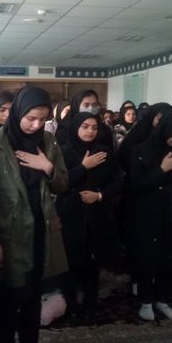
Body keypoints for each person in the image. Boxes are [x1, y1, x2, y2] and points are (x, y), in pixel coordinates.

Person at [0, 86, 68, 343]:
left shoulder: (48, 142)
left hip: (40, 231)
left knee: (32, 298)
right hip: (8, 234)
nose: (36, 125)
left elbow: (63, 184)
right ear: (17, 113)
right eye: (30, 118)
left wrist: (47, 167)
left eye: (42, 119)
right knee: (7, 299)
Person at [128, 110, 172, 321]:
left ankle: (163, 299)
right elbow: (135, 184)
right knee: (147, 257)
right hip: (147, 213)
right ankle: (146, 301)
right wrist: (162, 169)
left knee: (170, 256)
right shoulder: (141, 150)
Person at [55, 112, 121, 313]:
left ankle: (91, 302)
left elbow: (118, 182)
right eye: (85, 126)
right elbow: (60, 184)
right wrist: (84, 167)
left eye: (94, 127)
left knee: (93, 260)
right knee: (70, 261)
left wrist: (99, 195)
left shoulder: (103, 152)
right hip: (70, 215)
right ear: (76, 127)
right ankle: (69, 303)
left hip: (96, 214)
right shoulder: (63, 152)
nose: (90, 131)